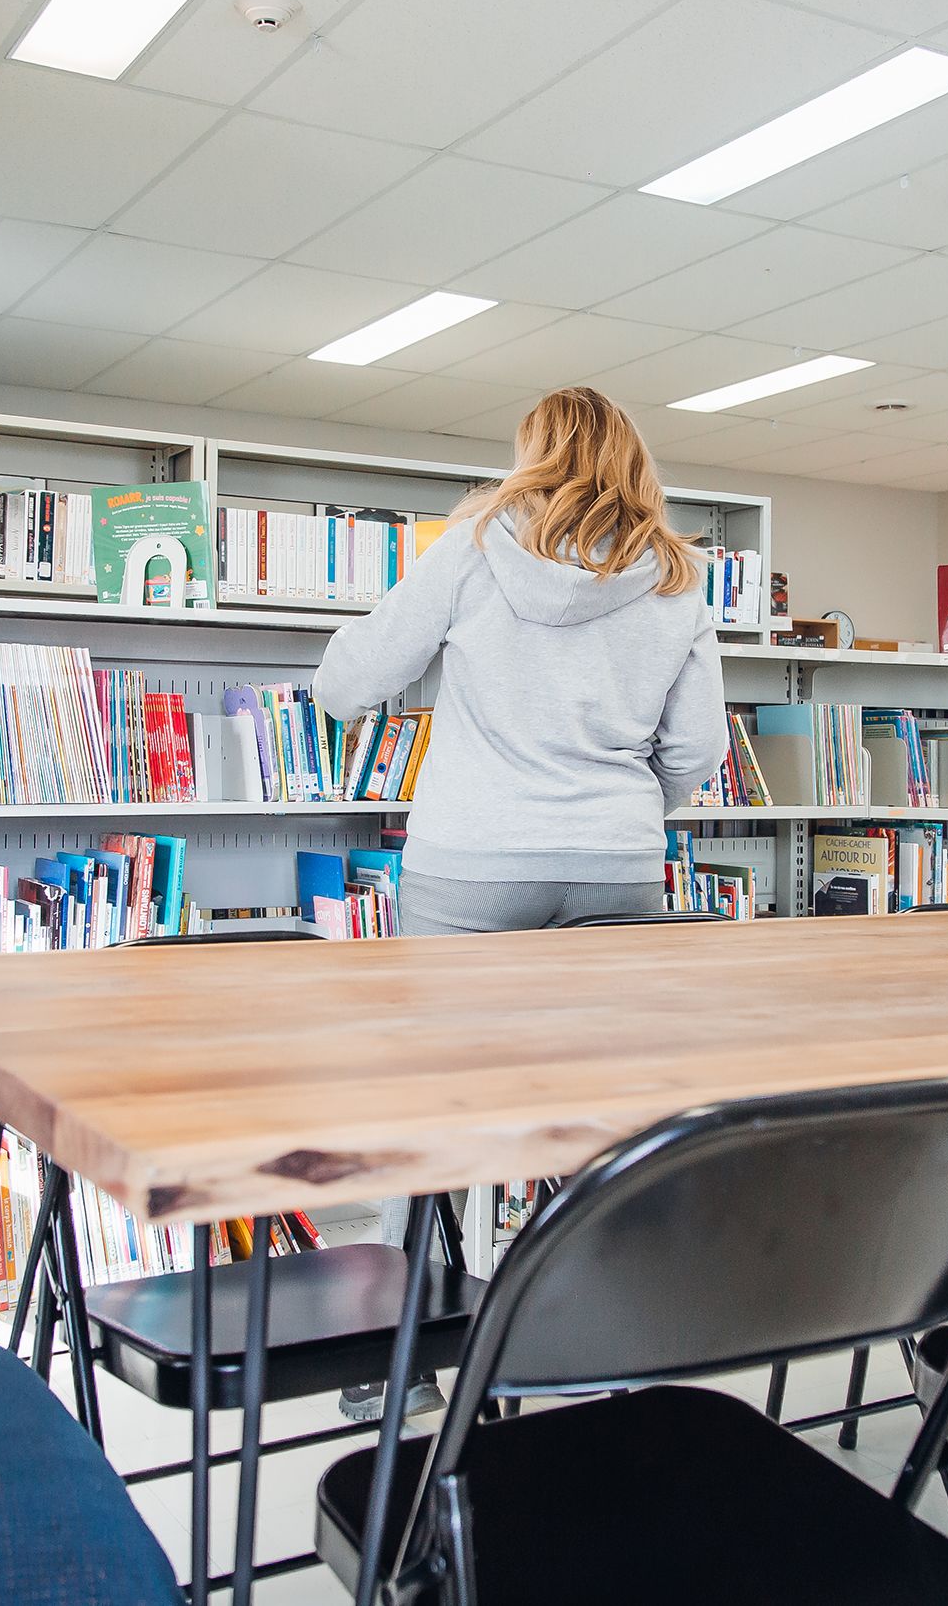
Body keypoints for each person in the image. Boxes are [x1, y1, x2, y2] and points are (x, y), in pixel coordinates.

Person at [310, 385, 729, 1418]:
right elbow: (698, 750)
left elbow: (345, 683)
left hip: (472, 863)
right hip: (614, 865)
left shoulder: (471, 546)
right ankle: (607, 1344)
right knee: (607, 1118)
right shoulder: (678, 579)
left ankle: (404, 1364)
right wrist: (623, 811)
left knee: (435, 1110)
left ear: (530, 456)